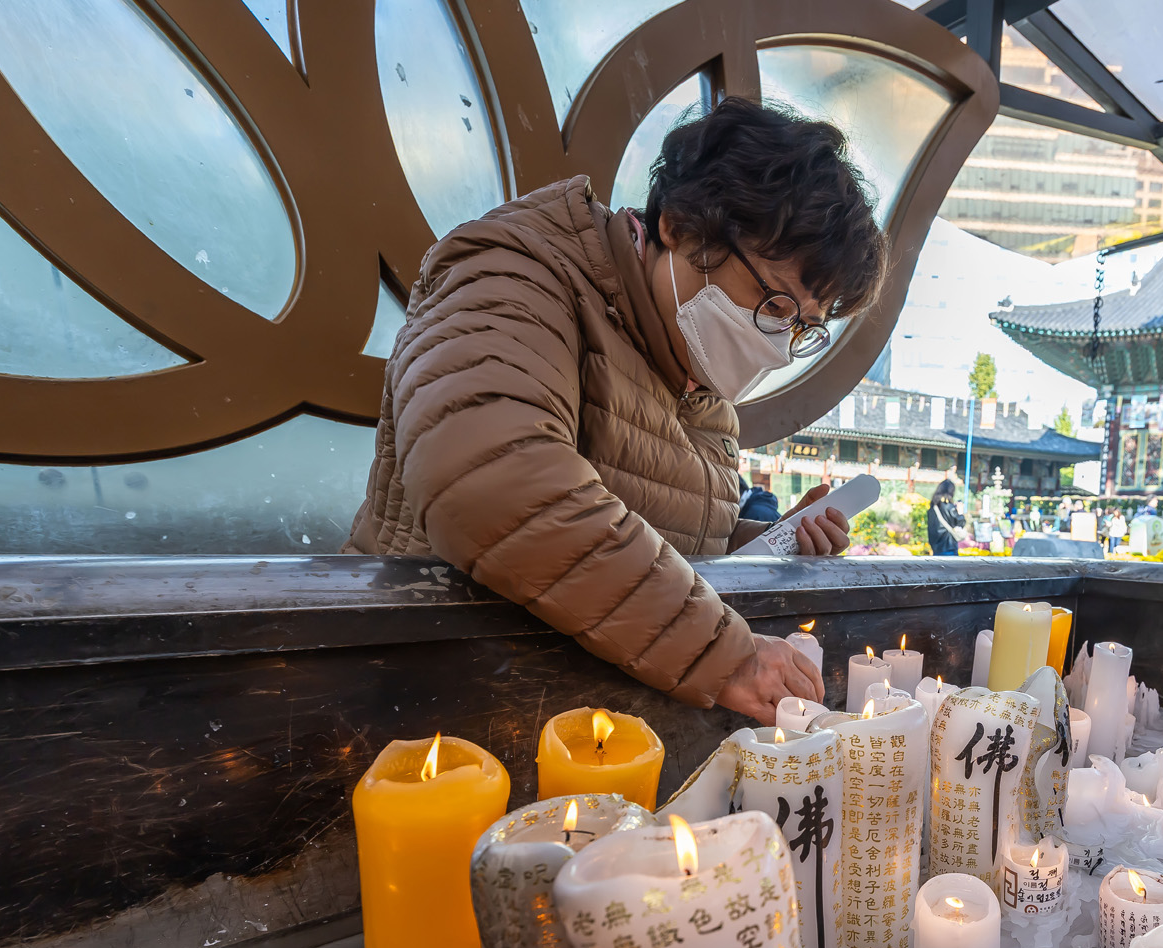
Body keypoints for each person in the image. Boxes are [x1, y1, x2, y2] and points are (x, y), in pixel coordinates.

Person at [347, 100, 880, 724]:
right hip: (430, 715)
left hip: (575, 725)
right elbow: (493, 486)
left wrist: (763, 546)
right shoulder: (517, 275)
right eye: (775, 304)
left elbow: (653, 539)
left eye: (804, 328)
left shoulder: (696, 378)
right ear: (680, 227)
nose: (779, 344)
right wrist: (725, 655)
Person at [927, 477, 967, 555]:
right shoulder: (949, 507)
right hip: (949, 547)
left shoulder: (932, 508)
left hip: (936, 548)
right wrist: (960, 512)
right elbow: (960, 524)